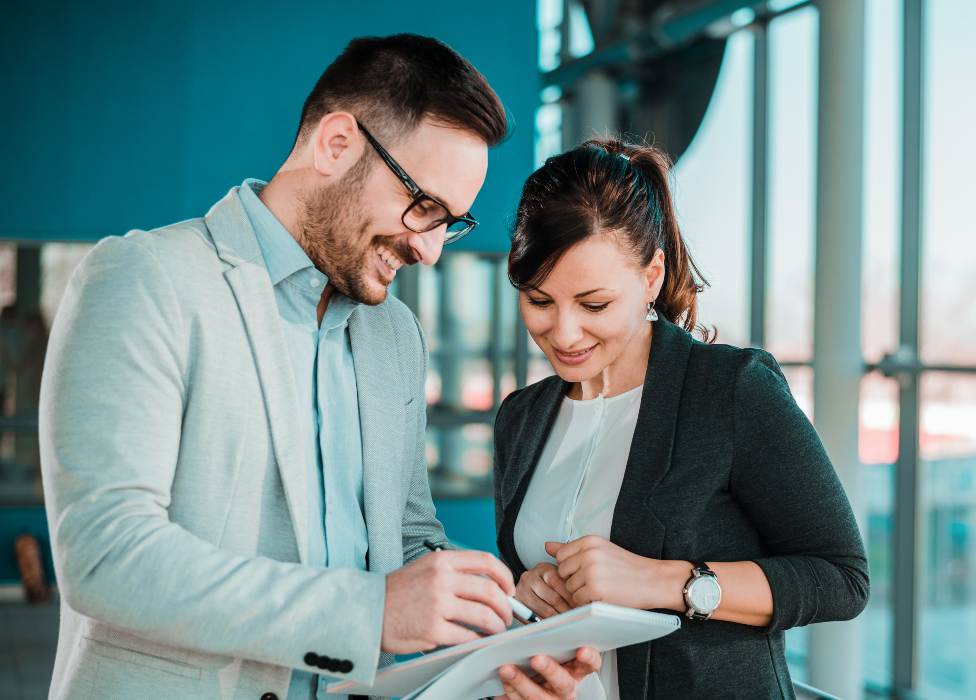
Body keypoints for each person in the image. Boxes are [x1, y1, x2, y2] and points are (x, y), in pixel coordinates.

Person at [39, 34, 597, 700]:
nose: (429, 251)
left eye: (451, 223)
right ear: (336, 144)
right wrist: (370, 612)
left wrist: (505, 642)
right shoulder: (145, 279)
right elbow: (108, 556)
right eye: (424, 208)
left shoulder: (394, 335)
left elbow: (407, 542)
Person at [492, 139, 870, 699]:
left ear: (650, 278)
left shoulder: (731, 391)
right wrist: (530, 592)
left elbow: (842, 579)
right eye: (540, 301)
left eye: (594, 304)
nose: (564, 334)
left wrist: (663, 582)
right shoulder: (521, 418)